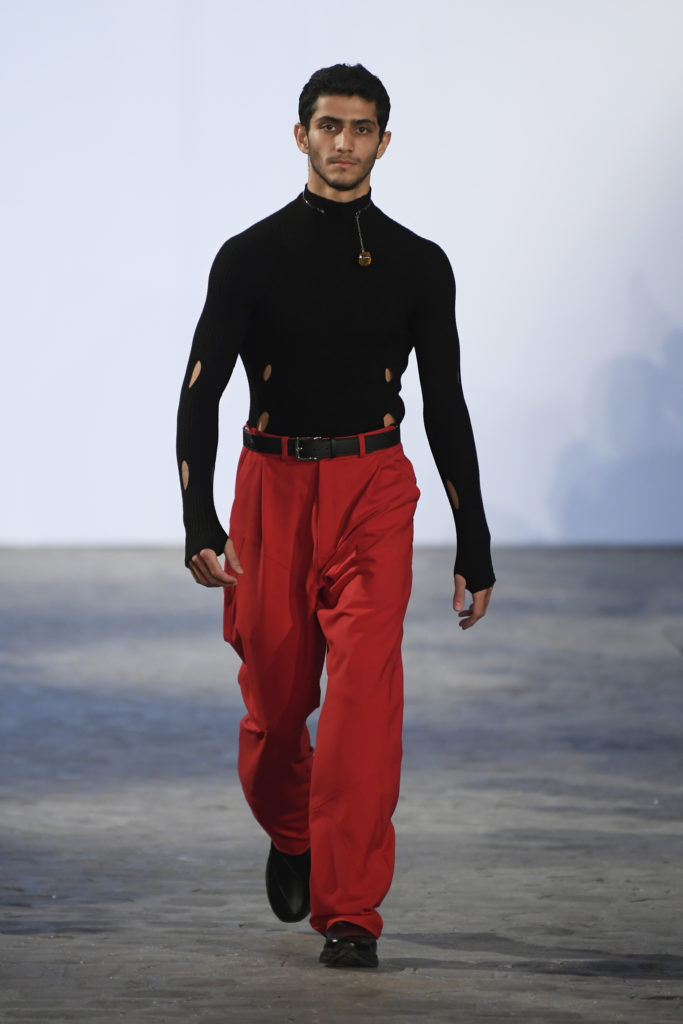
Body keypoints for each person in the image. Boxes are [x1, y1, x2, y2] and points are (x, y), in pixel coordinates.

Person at [176, 63, 495, 969]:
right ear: (300, 135)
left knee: (362, 703)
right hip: (270, 490)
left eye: (360, 128)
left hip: (373, 487)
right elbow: (199, 390)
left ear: (383, 142)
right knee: (275, 708)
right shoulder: (249, 255)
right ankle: (291, 831)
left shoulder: (419, 263)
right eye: (328, 125)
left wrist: (473, 540)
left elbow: (445, 403)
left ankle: (350, 910)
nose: (343, 142)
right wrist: (199, 518)